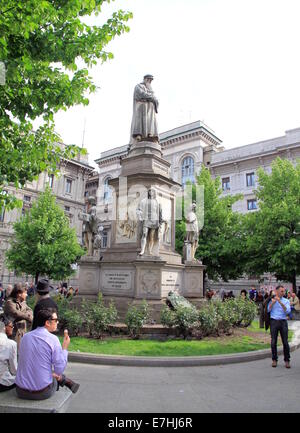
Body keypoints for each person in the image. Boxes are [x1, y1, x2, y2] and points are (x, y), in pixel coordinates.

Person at [15, 309, 80, 400]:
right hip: (42, 392)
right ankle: (65, 381)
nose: (57, 322)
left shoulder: (25, 337)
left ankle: (67, 381)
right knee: (54, 375)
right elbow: (59, 369)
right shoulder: (52, 339)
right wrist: (64, 348)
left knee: (44, 371)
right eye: (56, 320)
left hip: (20, 390)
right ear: (47, 323)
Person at [130, 74, 159, 145]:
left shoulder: (150, 89)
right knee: (140, 121)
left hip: (149, 111)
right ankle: (139, 134)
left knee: (150, 119)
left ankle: (150, 134)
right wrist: (151, 98)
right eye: (149, 80)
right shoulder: (138, 86)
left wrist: (153, 98)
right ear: (145, 79)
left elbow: (155, 99)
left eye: (150, 81)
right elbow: (141, 94)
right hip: (141, 108)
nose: (149, 82)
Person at [268, 285, 291, 368]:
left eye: (283, 291)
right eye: (281, 291)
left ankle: (287, 360)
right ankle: (274, 360)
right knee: (273, 341)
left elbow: (288, 311)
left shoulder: (286, 301)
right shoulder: (272, 299)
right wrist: (273, 302)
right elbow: (268, 309)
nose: (283, 293)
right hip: (274, 321)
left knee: (285, 342)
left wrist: (280, 302)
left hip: (283, 321)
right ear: (276, 291)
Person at [3, 283, 33, 347]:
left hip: (22, 332)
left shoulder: (23, 302)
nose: (26, 295)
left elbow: (30, 310)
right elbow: (16, 313)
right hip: (12, 333)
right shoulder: (10, 302)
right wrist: (28, 317)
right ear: (19, 294)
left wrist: (28, 315)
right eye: (25, 293)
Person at [137, 188, 163, 256]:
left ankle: (150, 250)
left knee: (151, 236)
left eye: (152, 191)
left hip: (154, 220)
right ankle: (142, 250)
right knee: (144, 234)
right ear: (148, 192)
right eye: (150, 191)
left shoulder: (157, 201)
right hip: (146, 219)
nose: (151, 192)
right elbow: (139, 209)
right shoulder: (144, 201)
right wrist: (140, 216)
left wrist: (160, 221)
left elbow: (160, 211)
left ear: (154, 193)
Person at [0, 316, 17, 392]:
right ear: (4, 327)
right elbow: (14, 371)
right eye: (11, 326)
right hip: (2, 383)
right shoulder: (11, 344)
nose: (13, 328)